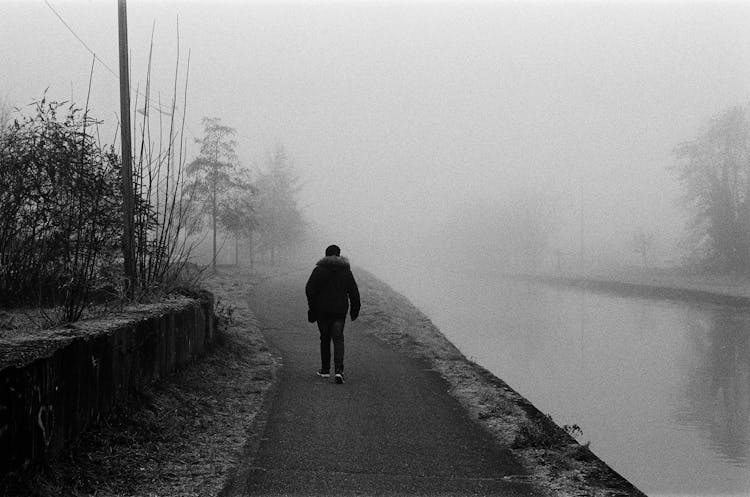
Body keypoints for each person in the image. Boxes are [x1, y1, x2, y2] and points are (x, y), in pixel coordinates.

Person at [305, 244, 360, 384]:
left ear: (326, 255)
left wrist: (312, 308)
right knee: (338, 339)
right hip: (339, 311)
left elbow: (309, 290)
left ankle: (325, 370)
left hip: (321, 311)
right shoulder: (346, 271)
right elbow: (354, 292)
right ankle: (339, 371)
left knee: (324, 338)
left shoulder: (318, 270)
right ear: (339, 255)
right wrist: (355, 310)